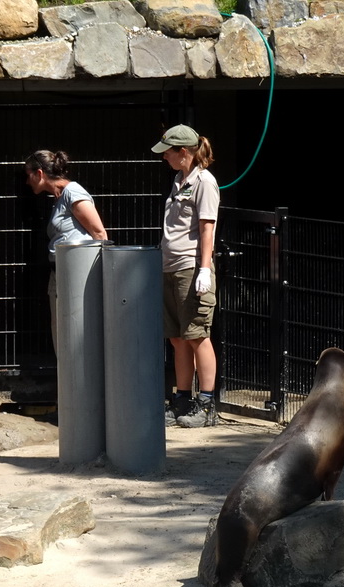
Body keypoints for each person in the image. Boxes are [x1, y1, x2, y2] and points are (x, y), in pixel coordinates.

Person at [152, 125, 220, 429]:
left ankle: (207, 405)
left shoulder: (204, 182)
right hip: (169, 266)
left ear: (184, 152)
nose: (164, 156)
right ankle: (181, 399)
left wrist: (204, 268)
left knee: (197, 336)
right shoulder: (179, 180)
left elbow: (207, 227)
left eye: (168, 151)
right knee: (178, 339)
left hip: (191, 268)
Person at [23, 150, 108, 354]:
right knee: (60, 328)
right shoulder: (58, 197)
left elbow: (99, 233)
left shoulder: (73, 193)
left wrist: (98, 274)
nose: (27, 181)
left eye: (28, 175)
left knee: (74, 326)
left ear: (40, 173)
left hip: (77, 272)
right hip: (60, 270)